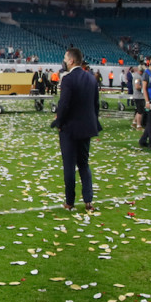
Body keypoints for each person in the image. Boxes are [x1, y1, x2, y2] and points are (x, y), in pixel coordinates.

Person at [52, 47, 101, 212]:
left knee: (69, 166)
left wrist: (59, 122)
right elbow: (95, 105)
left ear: (72, 60)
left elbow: (64, 105)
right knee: (84, 164)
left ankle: (70, 201)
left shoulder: (68, 79)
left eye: (66, 58)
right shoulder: (92, 79)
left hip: (70, 128)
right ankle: (88, 201)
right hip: (86, 127)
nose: (65, 61)